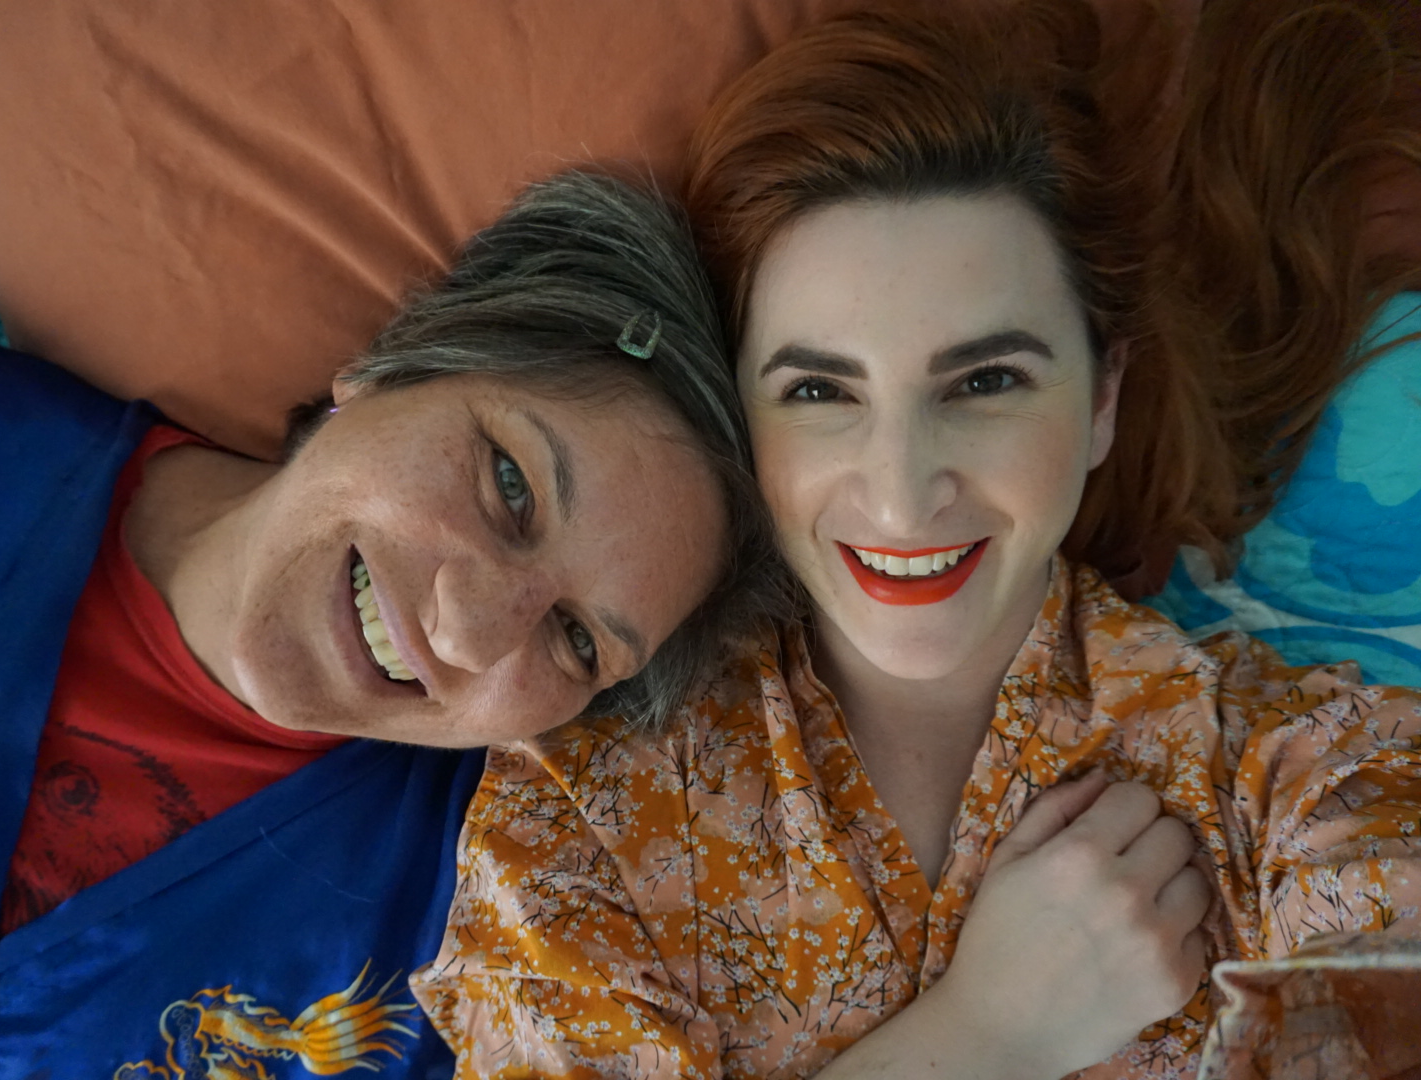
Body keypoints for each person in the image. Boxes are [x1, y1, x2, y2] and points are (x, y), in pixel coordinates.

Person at [410, 2, 1421, 1077]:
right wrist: (985, 1037)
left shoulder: (1297, 770)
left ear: (1100, 402)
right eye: (818, 391)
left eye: (985, 382)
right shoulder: (579, 814)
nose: (899, 497)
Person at [0, 171, 790, 1080]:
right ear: (390, 367)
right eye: (509, 482)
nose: (467, 631)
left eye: (576, 640)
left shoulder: (477, 960)